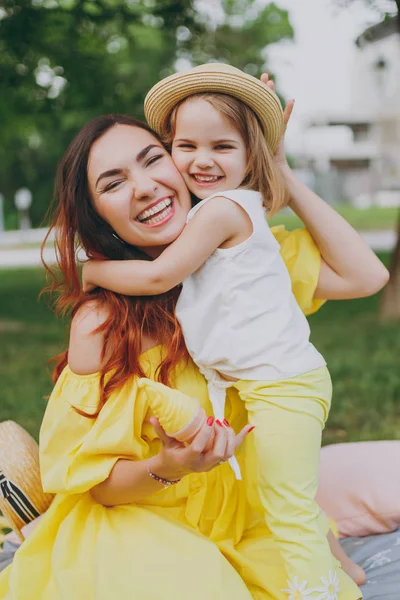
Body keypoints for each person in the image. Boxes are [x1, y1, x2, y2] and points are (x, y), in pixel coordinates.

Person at [0, 106, 384, 599]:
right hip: (143, 521)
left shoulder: (245, 269)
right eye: (113, 184)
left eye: (152, 160)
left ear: (180, 165)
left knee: (326, 582)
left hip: (240, 522)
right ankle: (38, 519)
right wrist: (172, 465)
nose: (143, 187)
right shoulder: (102, 323)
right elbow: (99, 486)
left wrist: (278, 170)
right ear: (98, 217)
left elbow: (366, 276)